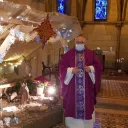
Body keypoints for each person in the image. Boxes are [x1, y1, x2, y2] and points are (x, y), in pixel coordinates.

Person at [59, 36, 102, 128]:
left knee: (87, 106)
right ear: (75, 42)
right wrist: (70, 71)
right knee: (72, 105)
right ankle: (73, 125)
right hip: (72, 88)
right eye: (78, 42)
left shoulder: (91, 54)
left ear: (85, 43)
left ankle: (87, 125)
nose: (79, 44)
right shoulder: (68, 54)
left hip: (87, 87)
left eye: (81, 42)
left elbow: (98, 66)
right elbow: (62, 67)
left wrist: (90, 69)